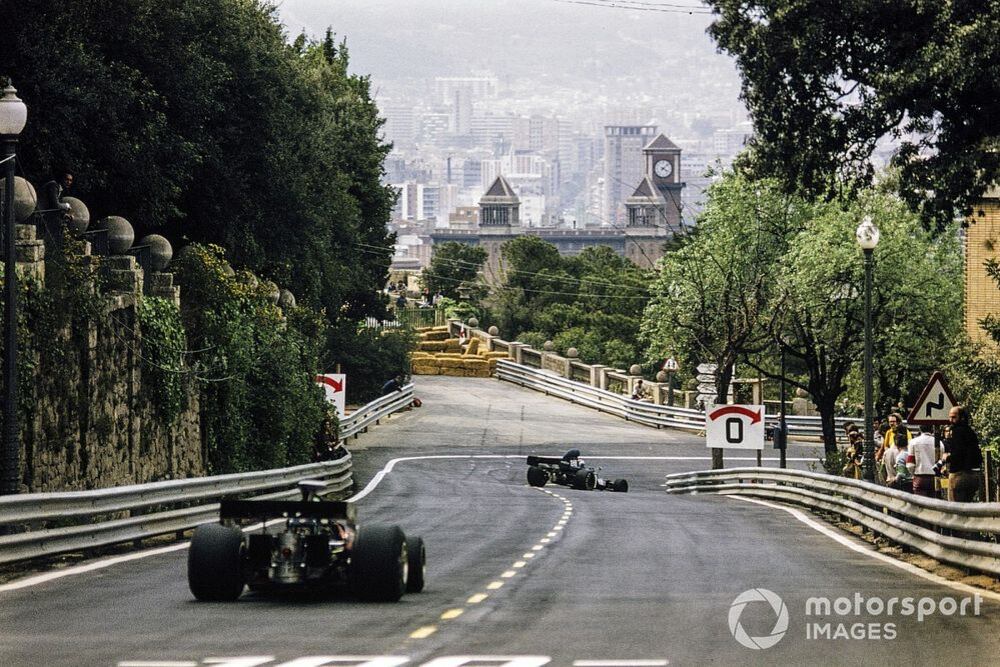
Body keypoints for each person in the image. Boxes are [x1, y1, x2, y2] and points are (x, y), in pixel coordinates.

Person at [943, 405, 982, 502]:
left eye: (954, 417)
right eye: (950, 417)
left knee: (955, 510)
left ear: (961, 417)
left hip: (959, 475)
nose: (951, 420)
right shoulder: (970, 432)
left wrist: (947, 458)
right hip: (973, 476)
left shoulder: (957, 431)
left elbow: (958, 453)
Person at [910, 424, 938, 498]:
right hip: (934, 478)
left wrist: (913, 473)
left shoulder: (913, 442)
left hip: (920, 476)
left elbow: (910, 464)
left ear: (920, 428)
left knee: (920, 503)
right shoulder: (939, 443)